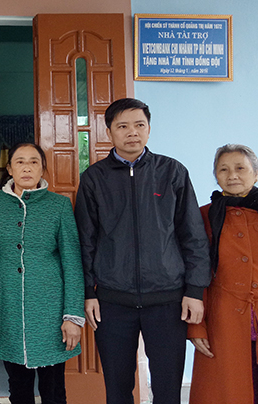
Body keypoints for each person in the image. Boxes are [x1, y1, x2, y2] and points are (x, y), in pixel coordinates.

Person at [74, 98, 212, 404]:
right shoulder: (94, 178)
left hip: (167, 299)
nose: (132, 133)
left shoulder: (172, 172)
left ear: (149, 130)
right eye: (122, 126)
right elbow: (84, 239)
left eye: (139, 125)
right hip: (112, 300)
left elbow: (193, 235)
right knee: (118, 389)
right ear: (109, 131)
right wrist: (88, 292)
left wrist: (195, 290)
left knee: (167, 388)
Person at [0, 142, 85, 404]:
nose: (27, 167)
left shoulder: (59, 206)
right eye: (20, 161)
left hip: (50, 311)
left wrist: (73, 315)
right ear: (9, 168)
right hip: (6, 306)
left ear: (43, 168)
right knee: (18, 388)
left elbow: (72, 262)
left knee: (54, 390)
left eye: (34, 161)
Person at [188, 144, 258, 404]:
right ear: (215, 175)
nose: (233, 175)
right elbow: (193, 272)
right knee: (226, 391)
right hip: (222, 319)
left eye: (241, 168)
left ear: (256, 173)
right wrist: (196, 326)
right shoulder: (202, 217)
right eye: (224, 169)